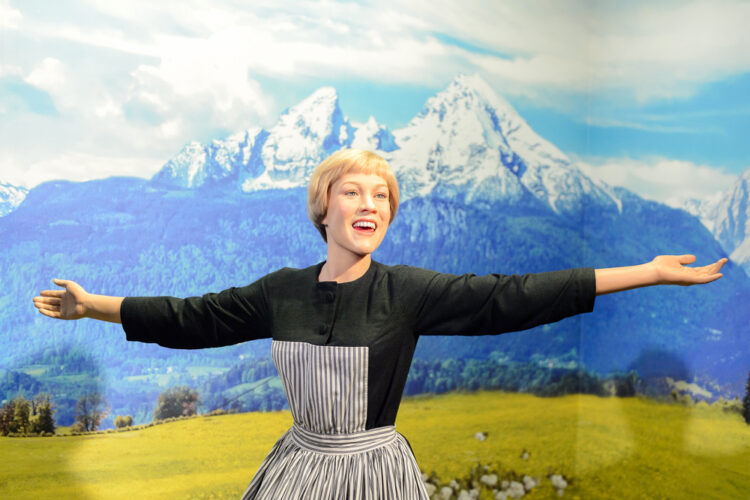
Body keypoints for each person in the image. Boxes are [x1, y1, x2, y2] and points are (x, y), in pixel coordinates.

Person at [32, 149, 727, 499]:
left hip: (376, 474)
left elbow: (516, 295)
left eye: (382, 197)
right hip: (298, 469)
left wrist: (648, 271)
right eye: (354, 193)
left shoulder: (409, 292)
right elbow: (193, 317)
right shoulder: (282, 293)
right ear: (323, 209)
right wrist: (92, 305)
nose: (370, 204)